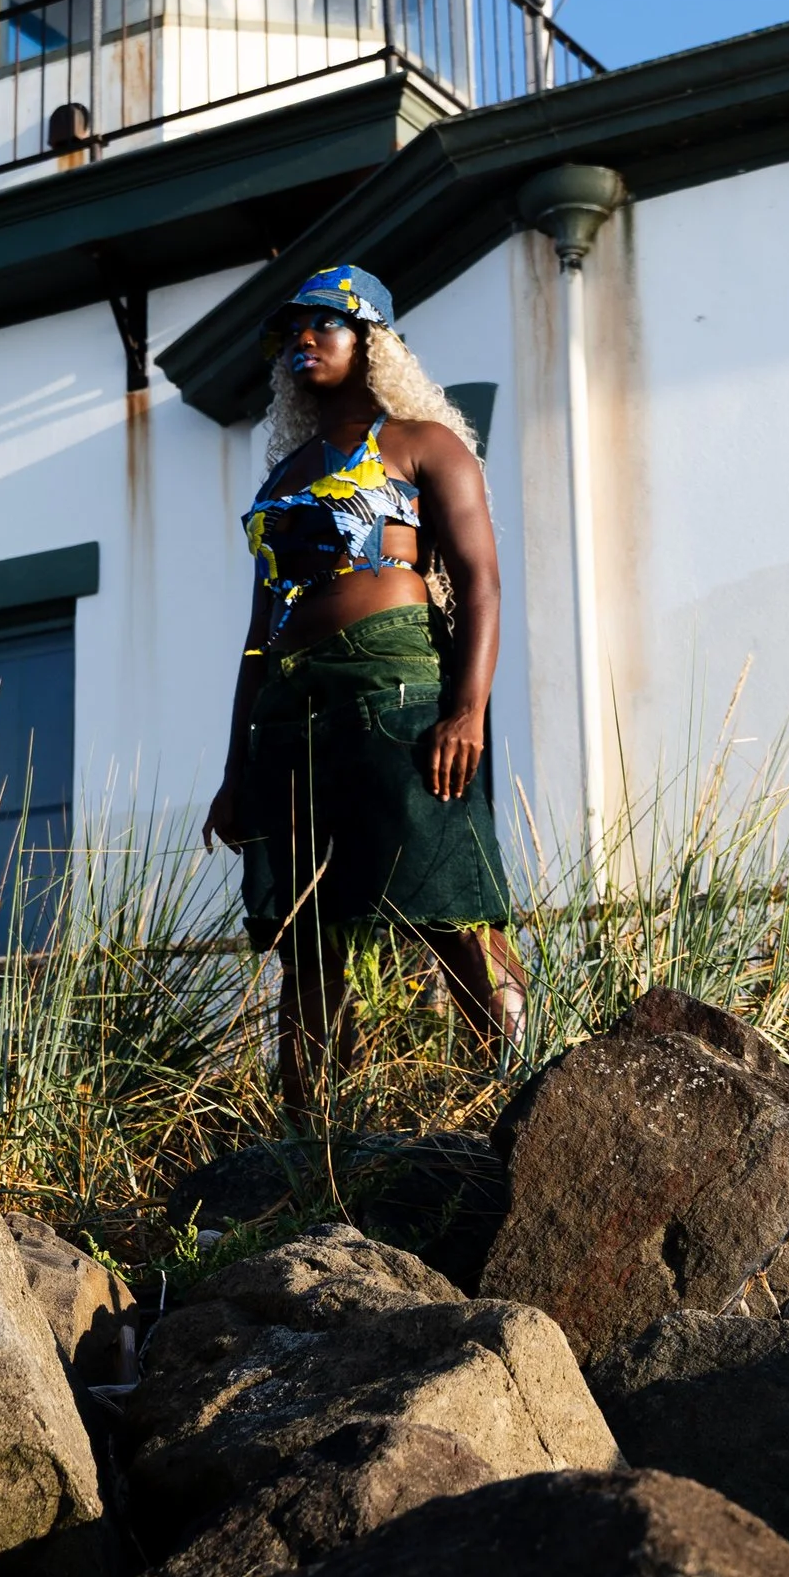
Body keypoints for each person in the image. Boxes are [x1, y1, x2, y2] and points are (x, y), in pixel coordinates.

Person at [201, 265, 522, 1124]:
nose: (303, 341)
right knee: (309, 938)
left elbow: (482, 581)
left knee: (451, 899)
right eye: (293, 333)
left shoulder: (423, 445)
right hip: (293, 712)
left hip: (397, 686)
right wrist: (237, 770)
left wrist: (467, 708)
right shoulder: (280, 482)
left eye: (324, 326)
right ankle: (310, 1147)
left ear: (372, 341)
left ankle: (513, 1107)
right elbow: (257, 637)